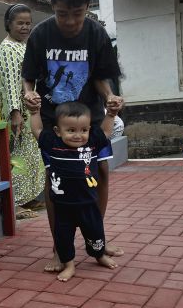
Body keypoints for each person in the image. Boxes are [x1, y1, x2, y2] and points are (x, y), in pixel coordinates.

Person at [22, 0, 124, 271]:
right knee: (56, 182)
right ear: (53, 6)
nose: (69, 21)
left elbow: (102, 77)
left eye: (76, 14)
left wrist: (109, 97)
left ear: (87, 8)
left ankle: (97, 242)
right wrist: (29, 95)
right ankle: (59, 248)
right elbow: (29, 79)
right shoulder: (41, 35)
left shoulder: (96, 34)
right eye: (62, 13)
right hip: (55, 119)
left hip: (89, 119)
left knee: (100, 173)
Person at [30, 100, 119, 281]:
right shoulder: (53, 144)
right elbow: (37, 131)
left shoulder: (92, 143)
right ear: (57, 131)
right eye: (71, 130)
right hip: (63, 206)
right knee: (62, 238)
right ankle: (69, 265)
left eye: (83, 130)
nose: (78, 135)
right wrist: (34, 113)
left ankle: (99, 255)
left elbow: (107, 132)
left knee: (95, 232)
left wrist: (110, 114)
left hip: (89, 204)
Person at [0, 3, 46, 219]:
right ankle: (13, 204)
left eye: (28, 23)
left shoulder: (22, 46)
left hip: (29, 111)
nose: (25, 27)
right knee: (18, 160)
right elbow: (8, 84)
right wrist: (15, 114)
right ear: (9, 24)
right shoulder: (7, 49)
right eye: (20, 23)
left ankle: (29, 198)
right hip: (18, 113)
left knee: (33, 157)